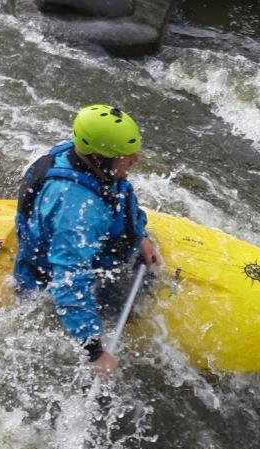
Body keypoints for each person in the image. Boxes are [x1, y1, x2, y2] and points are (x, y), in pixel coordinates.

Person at [14, 104, 161, 379]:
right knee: (128, 314)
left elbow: (120, 195)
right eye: (125, 156)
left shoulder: (84, 157)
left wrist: (139, 236)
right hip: (48, 279)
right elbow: (69, 281)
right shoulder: (79, 212)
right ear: (99, 157)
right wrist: (94, 351)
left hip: (79, 244)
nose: (135, 160)